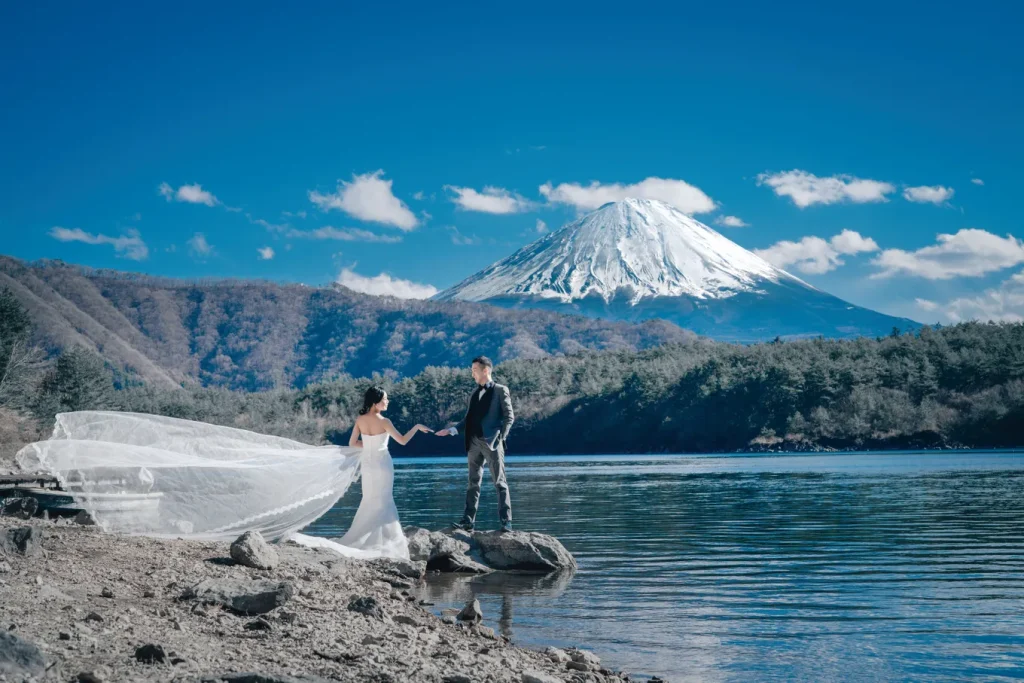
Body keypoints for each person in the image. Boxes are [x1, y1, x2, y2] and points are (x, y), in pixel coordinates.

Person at [339, 386, 432, 558]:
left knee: (369, 499)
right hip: (382, 464)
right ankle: (386, 539)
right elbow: (403, 441)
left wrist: (369, 446)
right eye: (384, 399)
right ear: (375, 403)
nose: (387, 401)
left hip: (368, 464)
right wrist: (417, 427)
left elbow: (353, 443)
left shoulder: (360, 419)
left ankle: (363, 536)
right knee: (384, 499)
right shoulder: (384, 421)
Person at [436, 356, 515, 532]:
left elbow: (509, 417)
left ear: (485, 370)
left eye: (474, 370)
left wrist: (501, 437)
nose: (472, 374)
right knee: (473, 483)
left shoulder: (501, 390)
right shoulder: (473, 393)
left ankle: (506, 522)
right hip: (473, 443)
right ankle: (468, 521)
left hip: (493, 443)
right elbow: (468, 420)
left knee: (500, 482)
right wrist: (451, 430)